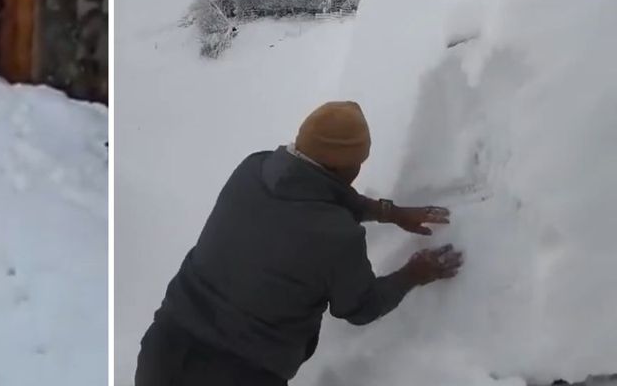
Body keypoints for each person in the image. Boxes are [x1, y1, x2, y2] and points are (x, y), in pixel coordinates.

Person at [135, 101, 463, 386]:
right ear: (344, 166)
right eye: (358, 160)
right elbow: (361, 307)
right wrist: (415, 272)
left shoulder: (252, 168)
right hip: (241, 374)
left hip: (163, 351)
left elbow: (312, 194)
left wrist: (386, 212)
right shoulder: (338, 236)